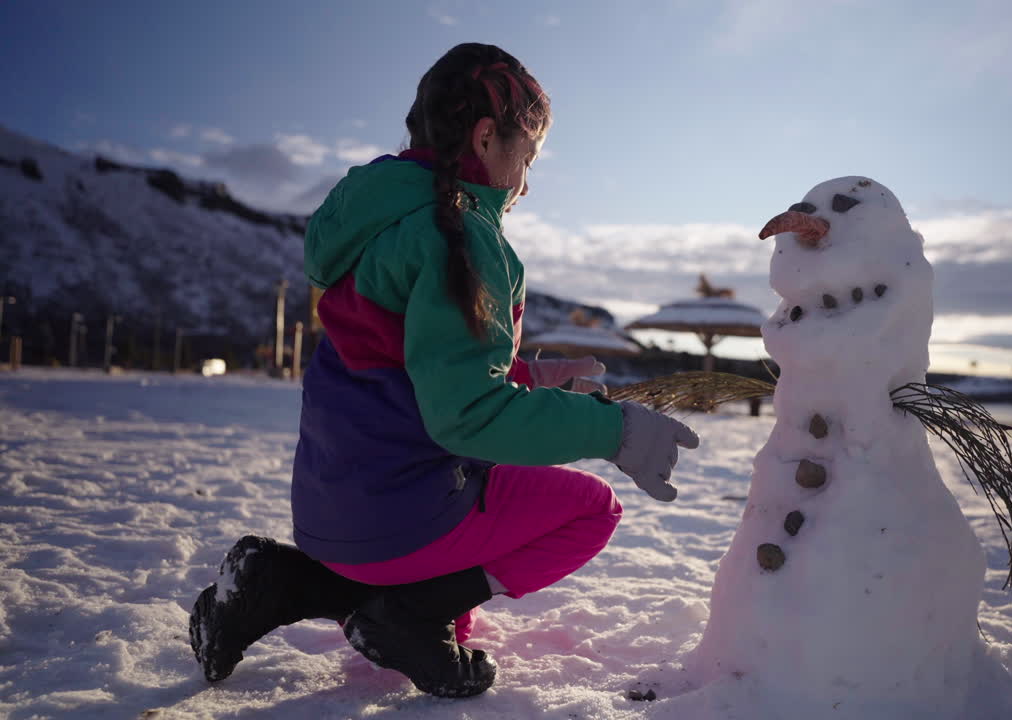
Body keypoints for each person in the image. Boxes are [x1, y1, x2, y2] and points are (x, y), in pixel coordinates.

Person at [187, 42, 699, 698]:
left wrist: (531, 376)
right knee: (592, 510)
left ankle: (279, 582)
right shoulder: (460, 237)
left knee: (444, 565)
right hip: (399, 518)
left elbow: (409, 368)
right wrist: (616, 430)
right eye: (528, 156)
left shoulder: (379, 222)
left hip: (327, 512)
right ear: (487, 138)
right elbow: (467, 416)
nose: (525, 182)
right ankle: (408, 616)